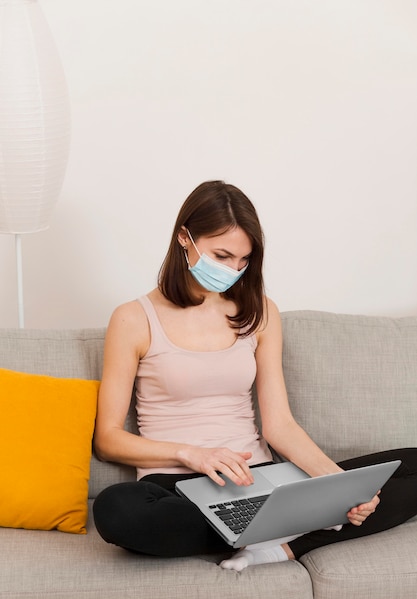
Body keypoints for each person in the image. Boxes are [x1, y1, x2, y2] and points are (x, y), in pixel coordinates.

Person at [93, 180, 417, 571]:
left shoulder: (260, 312)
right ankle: (287, 530)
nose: (232, 270)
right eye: (222, 255)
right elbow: (108, 440)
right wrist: (192, 454)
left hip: (261, 482)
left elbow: (279, 426)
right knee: (117, 509)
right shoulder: (132, 318)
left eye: (243, 260)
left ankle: (279, 544)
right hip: (177, 489)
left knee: (410, 465)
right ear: (184, 237)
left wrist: (341, 487)